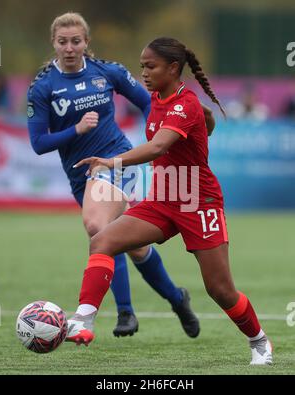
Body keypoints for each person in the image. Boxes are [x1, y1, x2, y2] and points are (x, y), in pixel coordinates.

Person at [73, 37, 272, 365]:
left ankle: (259, 340)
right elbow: (207, 124)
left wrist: (112, 161)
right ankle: (83, 318)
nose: (144, 73)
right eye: (142, 67)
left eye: (150, 67)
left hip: (199, 201)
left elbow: (156, 148)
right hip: (163, 199)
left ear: (174, 68)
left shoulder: (185, 103)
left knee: (220, 290)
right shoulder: (159, 100)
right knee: (103, 240)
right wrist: (204, 122)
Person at [27, 14, 209, 339]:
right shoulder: (42, 87)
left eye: (76, 41)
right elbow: (39, 143)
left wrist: (159, 139)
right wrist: (77, 129)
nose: (70, 48)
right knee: (135, 248)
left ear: (87, 43)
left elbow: (147, 102)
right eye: (63, 42)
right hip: (81, 177)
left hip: (115, 162)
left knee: (99, 228)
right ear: (53, 43)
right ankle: (176, 297)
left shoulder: (106, 72)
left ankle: (124, 313)